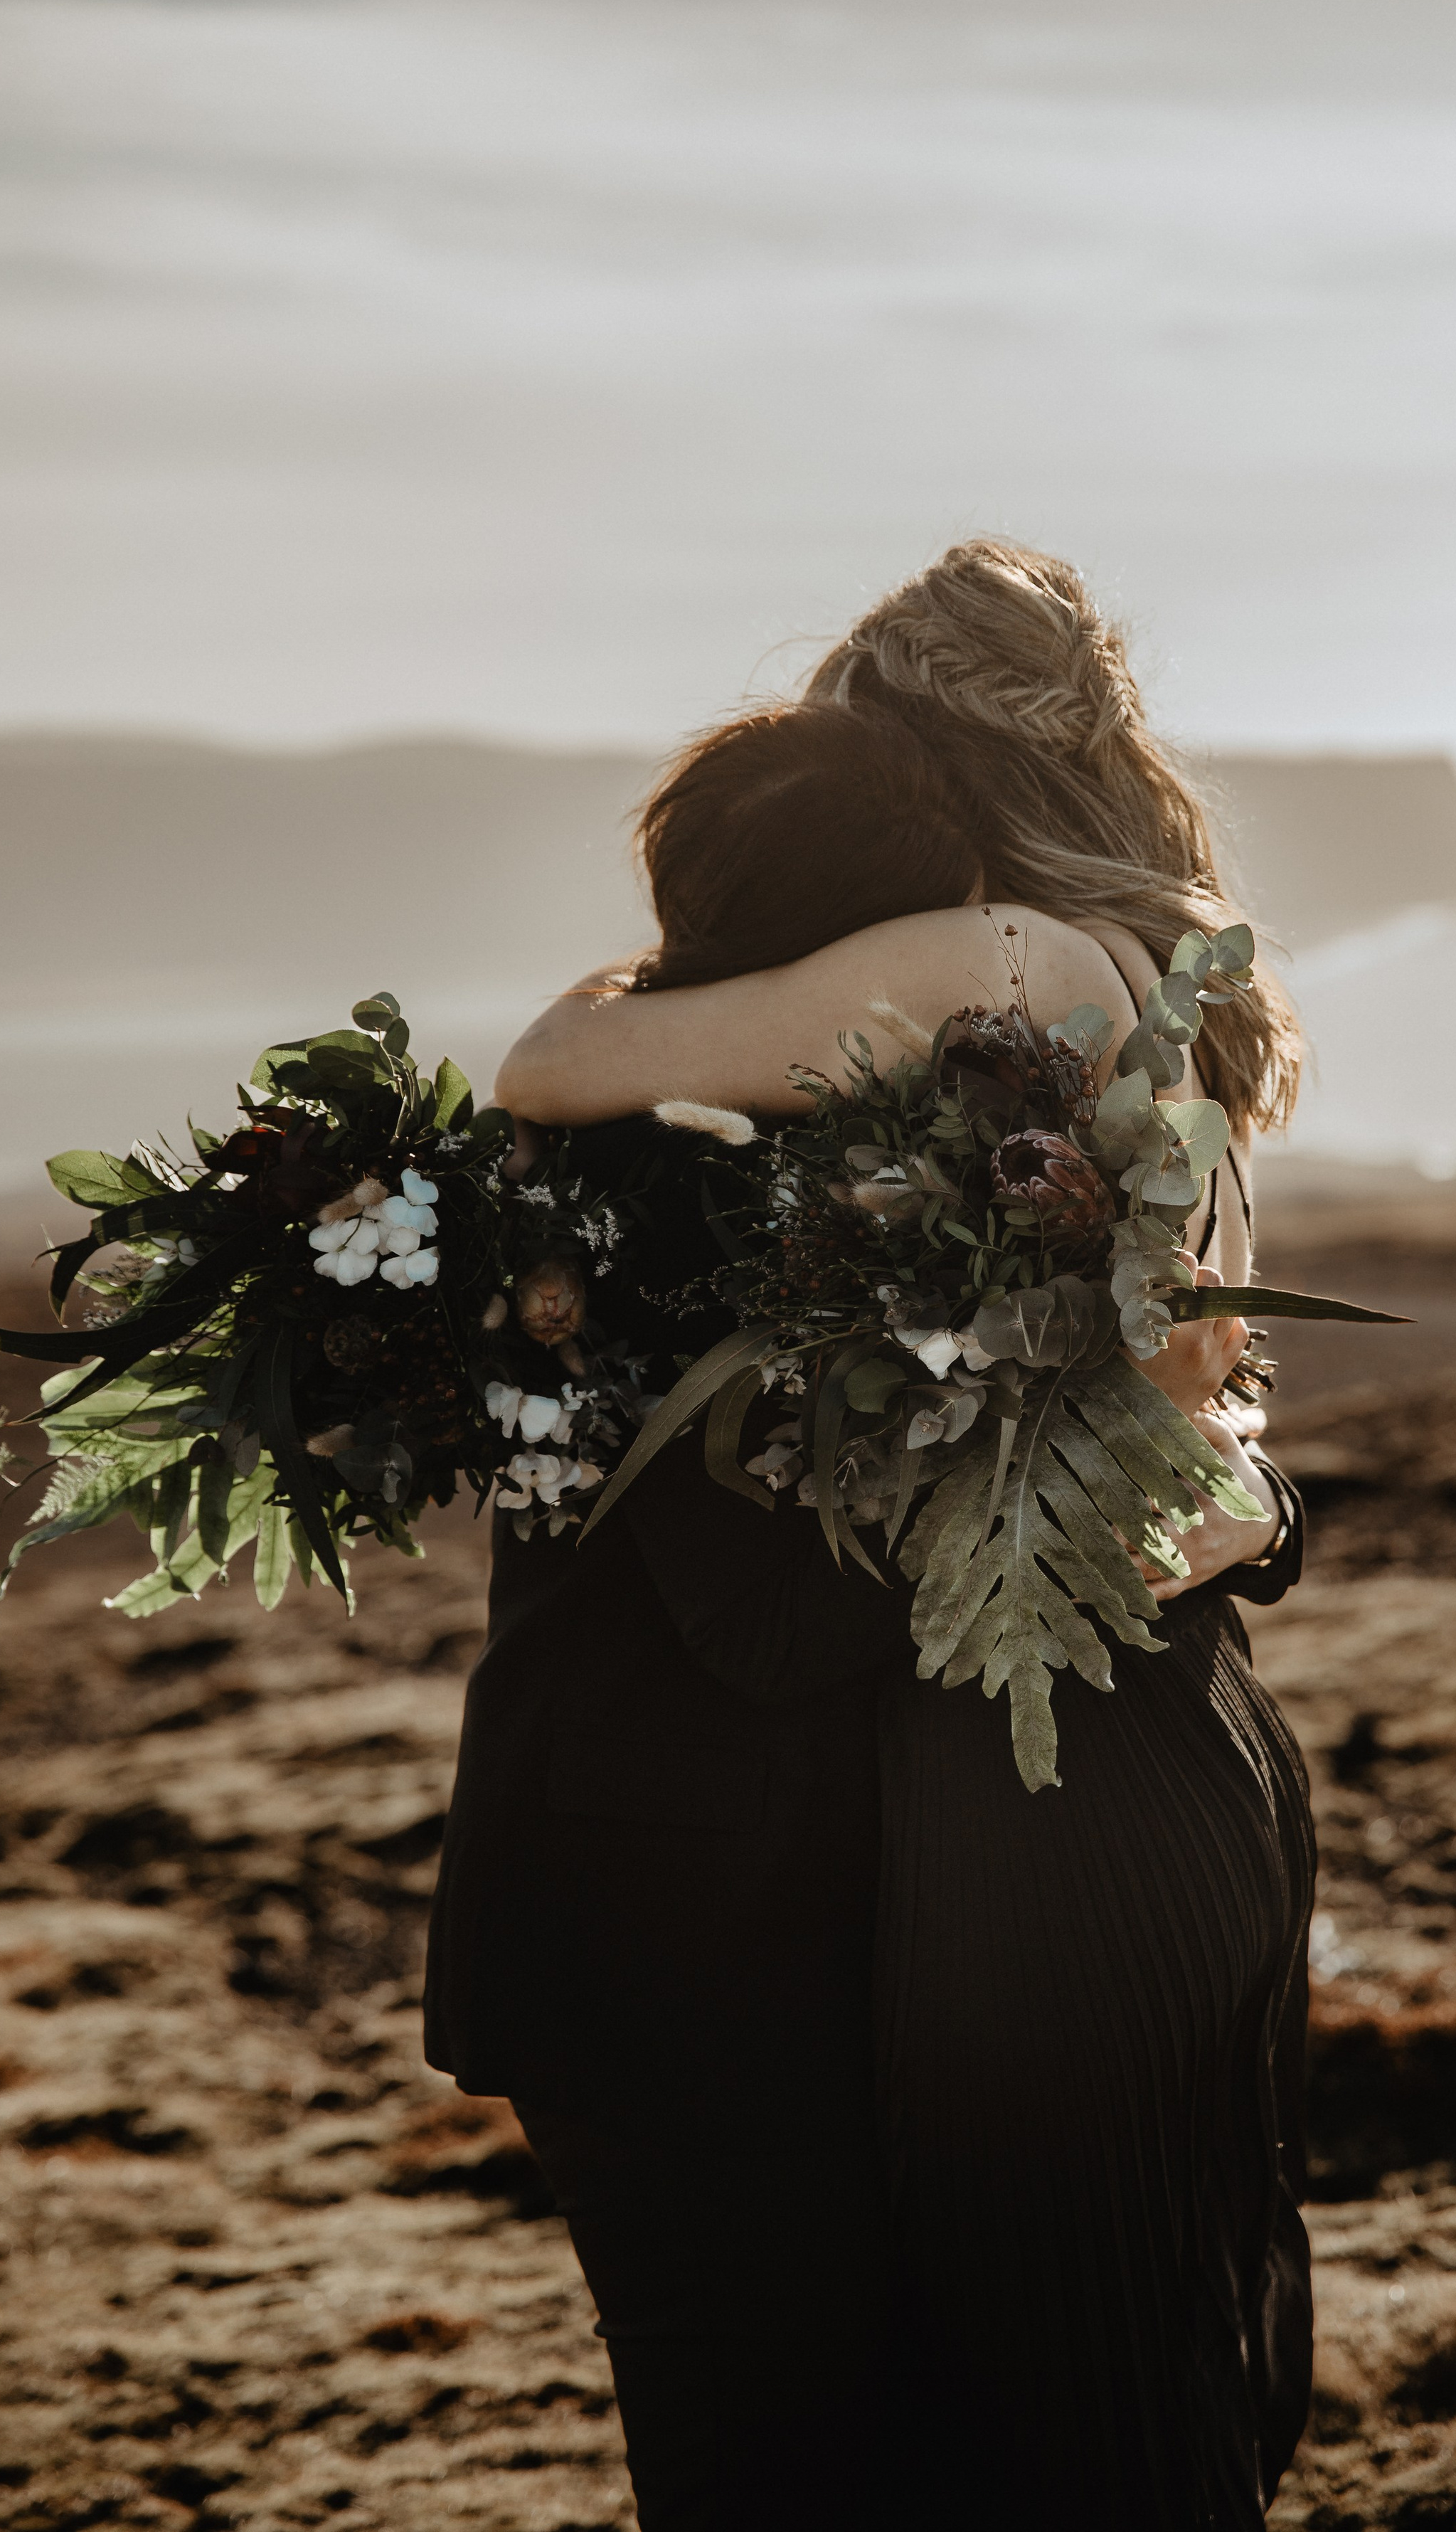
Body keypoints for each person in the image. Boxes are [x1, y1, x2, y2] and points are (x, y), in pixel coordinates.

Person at [426, 539, 1314, 2526]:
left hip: (1031, 1813)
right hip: (1164, 1757)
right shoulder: (1158, 990)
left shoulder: (1010, 970)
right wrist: (1248, 1521)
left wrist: (652, 981)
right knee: (1119, 2389)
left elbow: (563, 1062)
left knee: (1019, 2429)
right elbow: (1211, 1450)